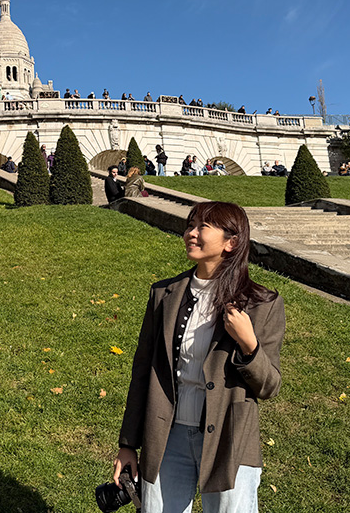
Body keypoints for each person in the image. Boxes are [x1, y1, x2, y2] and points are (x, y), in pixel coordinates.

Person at [113, 201, 285, 512]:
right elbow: (143, 372)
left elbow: (269, 386)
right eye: (190, 226)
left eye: (202, 227)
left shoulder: (262, 303)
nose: (191, 233)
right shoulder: (164, 294)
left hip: (228, 441)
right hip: (167, 436)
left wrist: (250, 345)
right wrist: (128, 444)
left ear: (231, 242)